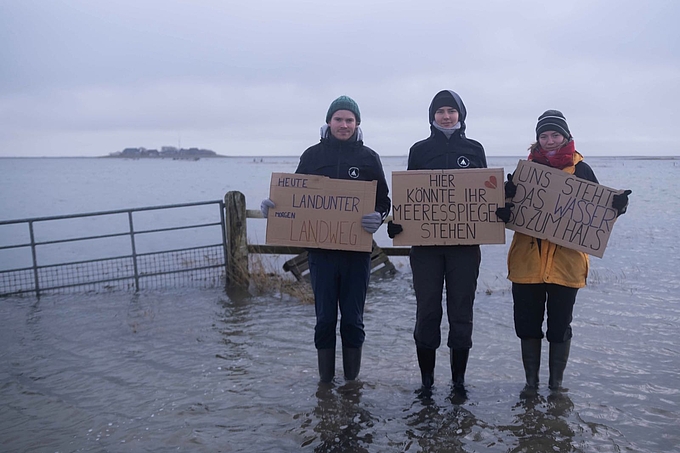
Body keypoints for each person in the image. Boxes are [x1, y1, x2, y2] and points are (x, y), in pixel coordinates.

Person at [496, 110, 631, 394]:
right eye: (543, 136)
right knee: (527, 326)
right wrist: (505, 201)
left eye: (555, 135)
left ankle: (555, 387)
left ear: (566, 136)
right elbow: (507, 213)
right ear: (536, 139)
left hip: (566, 266)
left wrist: (617, 207)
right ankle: (530, 385)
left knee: (559, 328)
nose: (549, 140)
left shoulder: (582, 170)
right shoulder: (525, 171)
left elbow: (595, 219)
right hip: (526, 263)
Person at [260, 95, 391, 383]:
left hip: (357, 254)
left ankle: (351, 384)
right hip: (320, 254)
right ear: (329, 122)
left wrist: (379, 216)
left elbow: (384, 200)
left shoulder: (369, 158)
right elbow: (292, 197)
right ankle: (325, 384)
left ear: (357, 124)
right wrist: (273, 206)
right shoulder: (312, 156)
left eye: (349, 120)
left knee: (353, 321)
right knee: (325, 320)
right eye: (338, 119)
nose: (343, 125)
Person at [388, 90, 487, 392]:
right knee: (428, 310)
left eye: (451, 110)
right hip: (426, 249)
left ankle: (459, 382)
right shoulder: (419, 150)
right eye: (440, 111)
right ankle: (427, 382)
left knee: (461, 311)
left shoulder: (474, 149)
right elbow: (408, 195)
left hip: (465, 249)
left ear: (461, 114)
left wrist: (499, 210)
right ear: (432, 116)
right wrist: (398, 223)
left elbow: (485, 191)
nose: (446, 116)